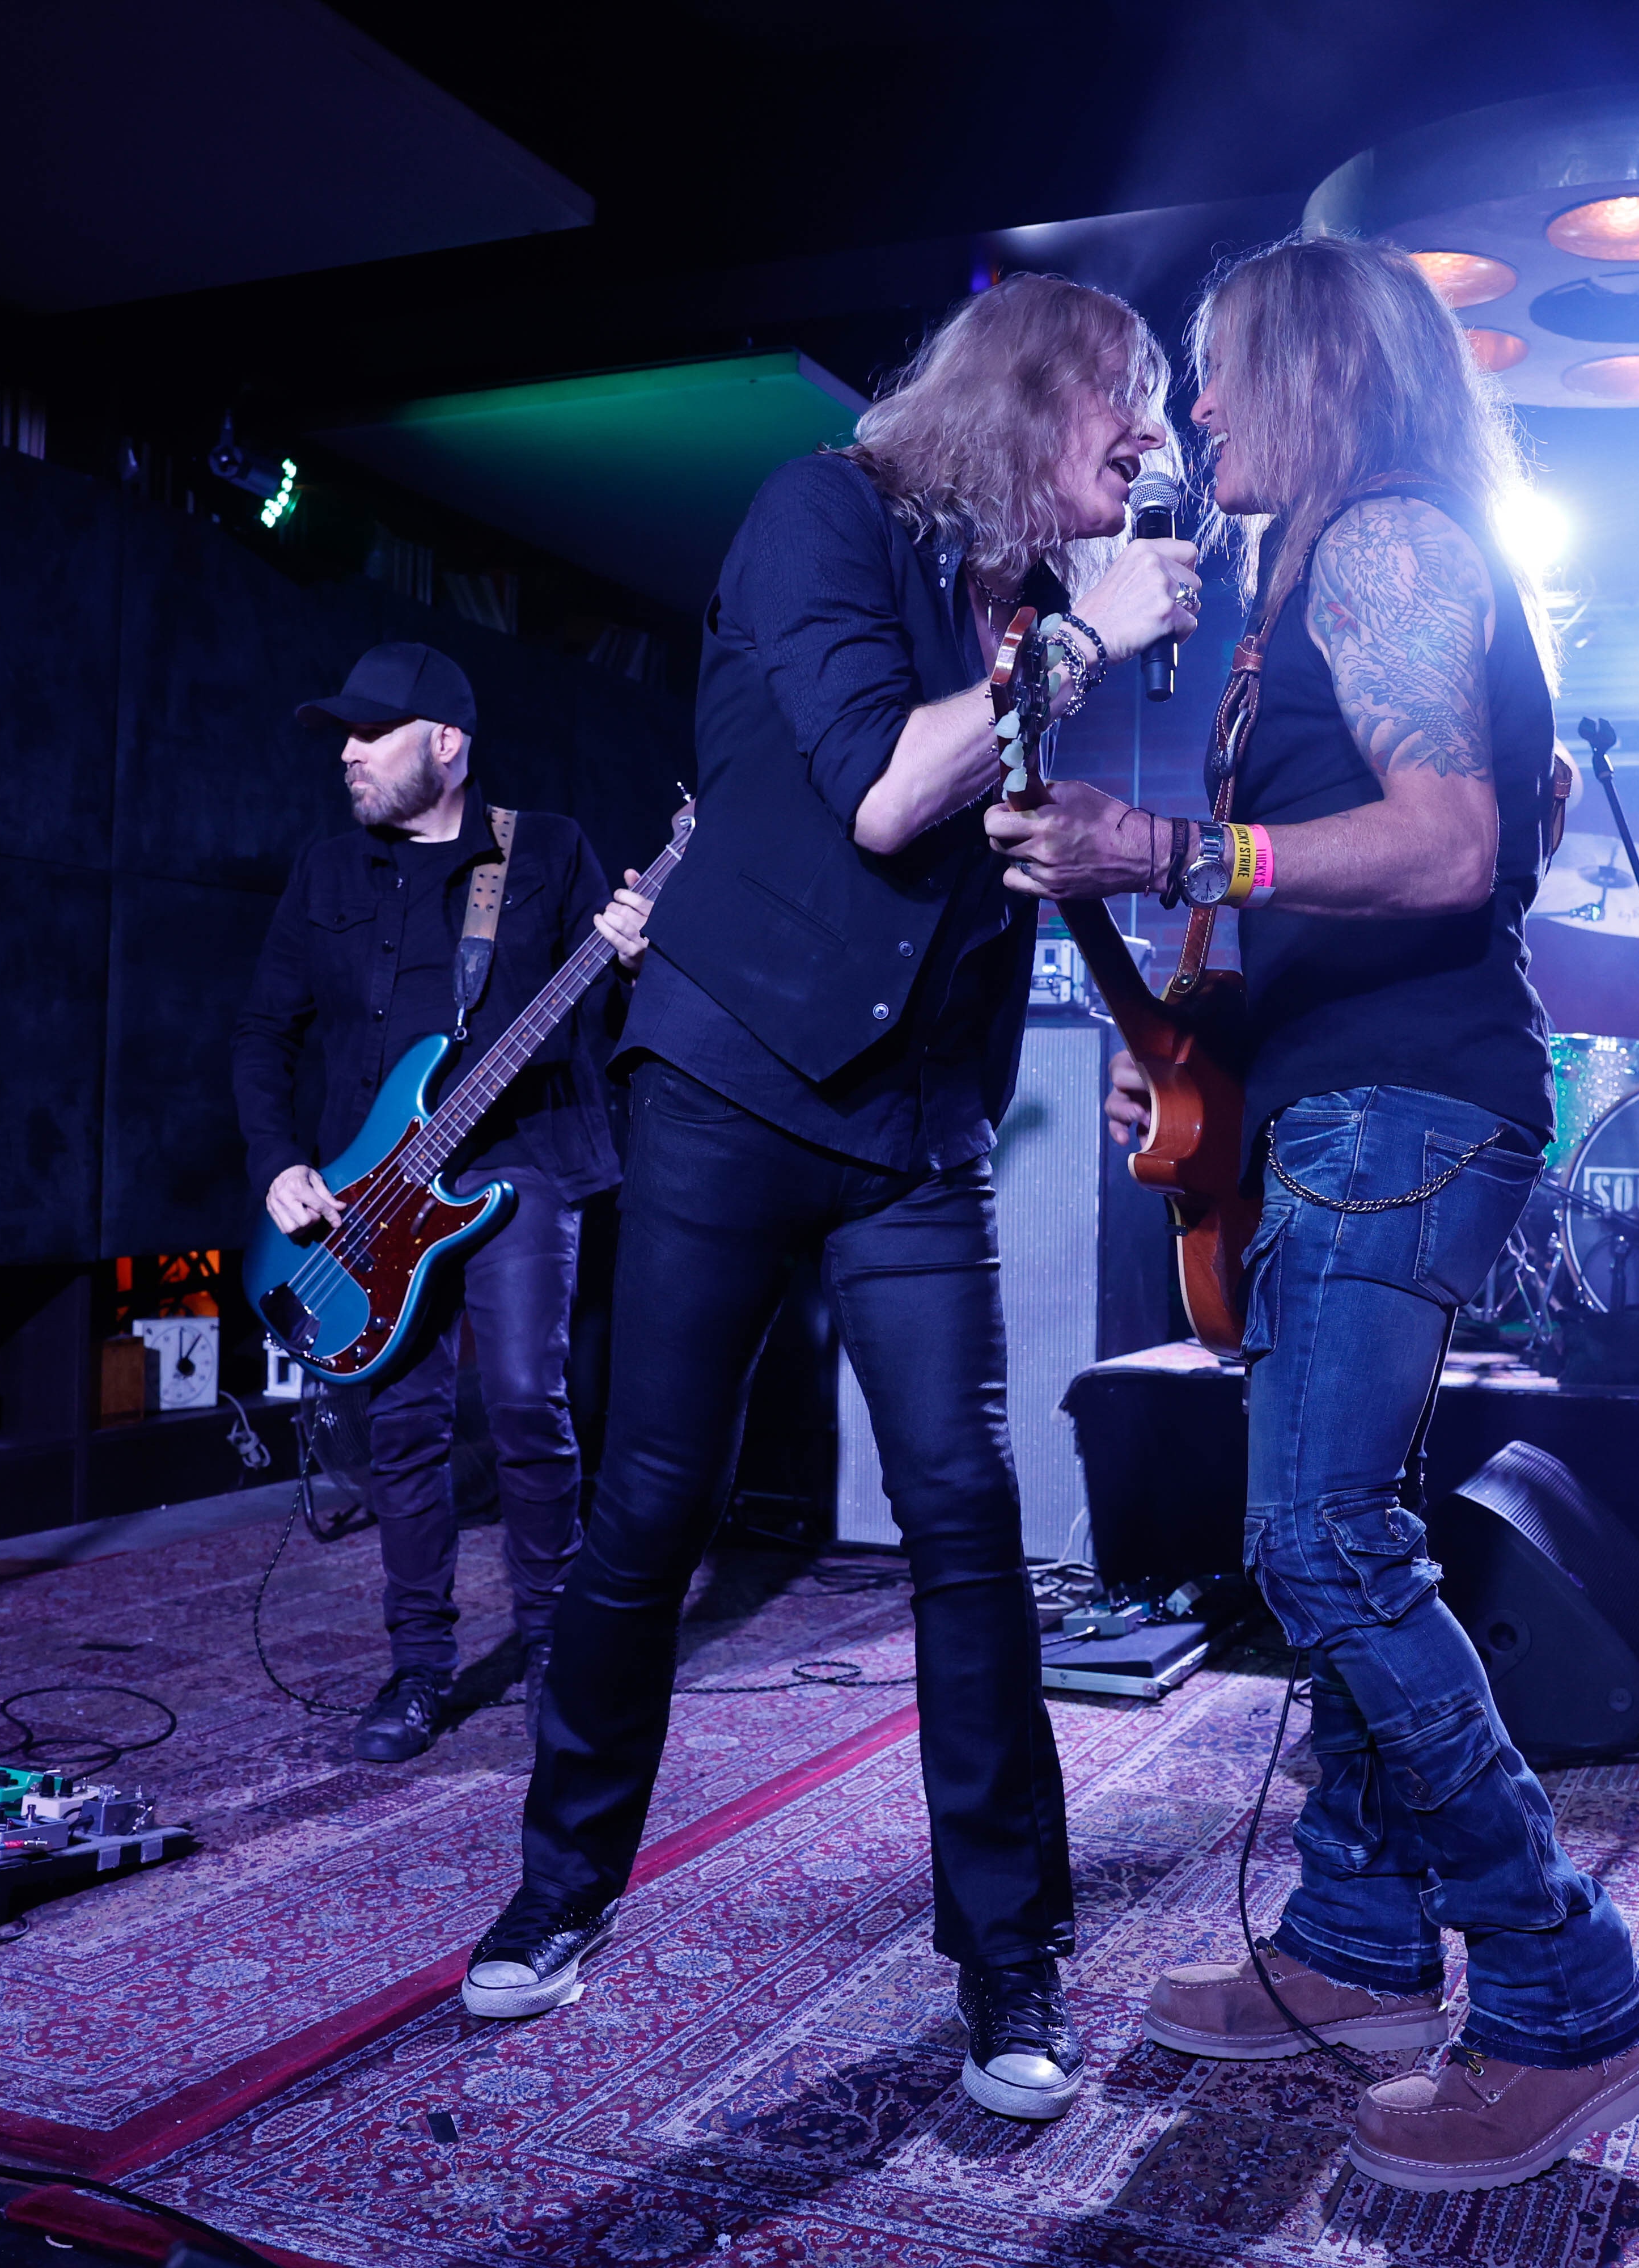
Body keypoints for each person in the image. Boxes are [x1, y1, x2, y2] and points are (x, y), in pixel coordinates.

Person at [456, 274, 1205, 2126]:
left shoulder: (1023, 604)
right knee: (656, 1500)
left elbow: (982, 839)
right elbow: (878, 791)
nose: (1155, 440)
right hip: (727, 1076)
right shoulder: (824, 513)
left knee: (968, 1514)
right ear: (1026, 394)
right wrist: (1076, 648)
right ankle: (561, 1887)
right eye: (1126, 401)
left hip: (913, 1126)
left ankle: (1009, 1952)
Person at [992, 234, 1639, 2195]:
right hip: (1331, 1102)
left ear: (1319, 370)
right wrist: (1185, 1038)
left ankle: (1565, 1991)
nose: (1197, 410)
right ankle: (1359, 1939)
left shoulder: (1386, 543)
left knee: (1319, 1539)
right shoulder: (1309, 574)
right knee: (1340, 1525)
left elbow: (1447, 848)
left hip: (1406, 1105)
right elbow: (1300, 892)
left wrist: (1163, 844)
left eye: (1222, 368)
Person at [232, 641, 644, 1765]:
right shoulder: (325, 872)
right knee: (401, 1426)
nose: (350, 754)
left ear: (448, 744)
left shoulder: (545, 850)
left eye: (374, 733)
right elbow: (265, 1031)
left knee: (522, 1402)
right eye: (345, 736)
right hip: (369, 1196)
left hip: (519, 1164)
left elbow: (609, 1032)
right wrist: (278, 1161)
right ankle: (419, 1669)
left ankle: (556, 1650)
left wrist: (633, 963)